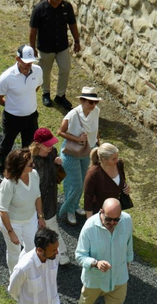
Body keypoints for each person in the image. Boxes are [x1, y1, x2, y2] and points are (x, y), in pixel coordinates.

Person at [75, 198, 136, 304]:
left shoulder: (127, 220)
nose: (112, 223)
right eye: (108, 219)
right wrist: (95, 263)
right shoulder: (89, 227)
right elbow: (79, 255)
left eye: (116, 220)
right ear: (101, 212)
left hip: (118, 278)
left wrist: (128, 267)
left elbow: (129, 245)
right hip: (95, 279)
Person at [29, 0, 80, 109]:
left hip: (62, 46)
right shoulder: (40, 9)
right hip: (45, 48)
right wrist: (32, 48)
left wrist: (77, 41)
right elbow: (33, 30)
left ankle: (60, 96)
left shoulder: (66, 7)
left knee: (65, 69)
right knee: (45, 72)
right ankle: (45, 93)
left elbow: (72, 25)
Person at [0, 45, 43, 178]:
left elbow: (36, 87)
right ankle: (1, 167)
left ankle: (23, 168)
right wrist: (12, 106)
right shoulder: (6, 77)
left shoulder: (38, 71)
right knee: (7, 144)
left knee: (29, 146)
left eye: (30, 62)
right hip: (12, 118)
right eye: (25, 62)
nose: (28, 65)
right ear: (17, 59)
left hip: (31, 116)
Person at [57, 87, 101, 225]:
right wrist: (77, 139)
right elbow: (60, 132)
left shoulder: (96, 111)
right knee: (74, 184)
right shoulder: (72, 114)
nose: (93, 105)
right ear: (82, 101)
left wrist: (98, 143)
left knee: (82, 183)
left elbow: (95, 128)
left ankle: (75, 206)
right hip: (71, 152)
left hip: (87, 150)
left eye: (95, 102)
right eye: (90, 102)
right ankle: (68, 210)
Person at [0, 149, 45, 272]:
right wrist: (11, 232)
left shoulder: (34, 174)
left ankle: (22, 270)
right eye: (30, 164)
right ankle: (14, 279)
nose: (33, 165)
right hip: (12, 223)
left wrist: (40, 216)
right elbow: (3, 210)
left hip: (30, 219)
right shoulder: (8, 184)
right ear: (20, 166)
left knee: (32, 248)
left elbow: (38, 197)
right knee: (14, 251)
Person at [29, 128, 69, 265]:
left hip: (50, 196)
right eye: (48, 144)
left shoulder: (52, 153)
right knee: (34, 226)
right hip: (34, 199)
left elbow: (55, 175)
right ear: (38, 144)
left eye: (51, 143)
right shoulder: (31, 161)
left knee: (51, 224)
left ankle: (61, 252)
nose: (51, 146)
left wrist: (57, 164)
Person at [84, 142, 131, 219]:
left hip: (117, 210)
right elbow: (88, 200)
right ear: (104, 160)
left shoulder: (119, 164)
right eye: (114, 159)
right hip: (101, 214)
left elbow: (122, 180)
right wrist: (90, 221)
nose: (117, 160)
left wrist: (126, 187)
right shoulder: (92, 174)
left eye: (117, 157)